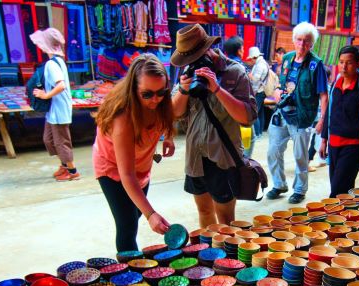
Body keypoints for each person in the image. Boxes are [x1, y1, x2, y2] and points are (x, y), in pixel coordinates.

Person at [171, 24, 257, 228]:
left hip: (223, 158)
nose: (192, 63)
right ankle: (209, 255)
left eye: (196, 57)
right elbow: (174, 114)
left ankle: (228, 258)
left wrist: (217, 88)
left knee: (226, 220)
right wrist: (183, 90)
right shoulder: (188, 71)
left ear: (208, 49)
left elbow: (247, 117)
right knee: (204, 211)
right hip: (195, 157)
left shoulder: (234, 72)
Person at [92, 54, 174, 252]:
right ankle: (128, 277)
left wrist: (168, 136)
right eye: (147, 94)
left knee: (134, 213)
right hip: (112, 168)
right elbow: (126, 175)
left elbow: (171, 113)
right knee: (128, 225)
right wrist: (151, 214)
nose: (155, 99)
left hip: (141, 164)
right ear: (133, 89)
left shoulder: (160, 102)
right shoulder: (123, 119)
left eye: (160, 92)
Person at [266, 22, 329, 204]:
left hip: (302, 117)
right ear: (294, 40)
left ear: (312, 44)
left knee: (301, 155)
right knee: (273, 150)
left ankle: (300, 189)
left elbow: (324, 96)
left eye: (307, 41)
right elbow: (281, 82)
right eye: (299, 40)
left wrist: (322, 120)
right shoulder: (287, 58)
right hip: (283, 114)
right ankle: (279, 184)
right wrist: (277, 91)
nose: (302, 44)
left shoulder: (316, 65)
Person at [319, 46, 359, 198]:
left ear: (358, 64)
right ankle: (348, 218)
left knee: (337, 192)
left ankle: (330, 218)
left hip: (353, 146)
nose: (344, 67)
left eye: (349, 63)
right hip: (333, 145)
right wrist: (324, 140)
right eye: (341, 62)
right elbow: (329, 114)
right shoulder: (336, 84)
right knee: (342, 189)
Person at [29, 28, 77, 181]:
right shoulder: (57, 62)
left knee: (61, 142)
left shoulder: (52, 64)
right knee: (49, 139)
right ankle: (64, 165)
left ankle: (72, 171)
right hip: (54, 110)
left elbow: (61, 85)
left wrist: (45, 95)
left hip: (59, 109)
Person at [247, 46, 270, 156]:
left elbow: (255, 79)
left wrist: (249, 75)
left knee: (254, 113)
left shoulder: (260, 65)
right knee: (260, 112)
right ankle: (260, 132)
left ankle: (257, 133)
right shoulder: (262, 63)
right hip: (261, 91)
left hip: (258, 91)